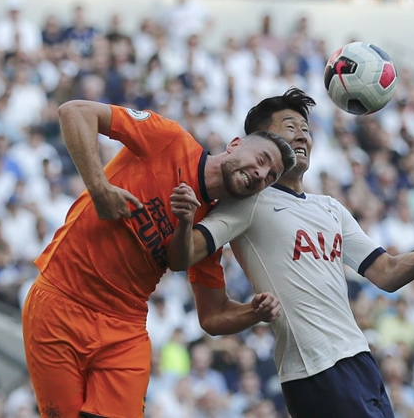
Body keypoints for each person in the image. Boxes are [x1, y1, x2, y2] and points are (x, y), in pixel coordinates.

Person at [174, 88, 414, 418]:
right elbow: (186, 254)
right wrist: (182, 221)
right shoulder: (249, 201)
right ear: (262, 141)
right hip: (314, 369)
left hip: (361, 361)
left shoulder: (331, 208)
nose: (301, 137)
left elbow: (387, 273)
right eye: (290, 128)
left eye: (306, 131)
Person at [21, 100, 295, 418]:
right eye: (262, 160)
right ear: (234, 144)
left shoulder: (210, 230)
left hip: (124, 329)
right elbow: (74, 112)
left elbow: (212, 316)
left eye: (270, 176)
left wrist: (254, 312)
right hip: (61, 300)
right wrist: (99, 188)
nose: (261, 174)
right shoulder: (169, 138)